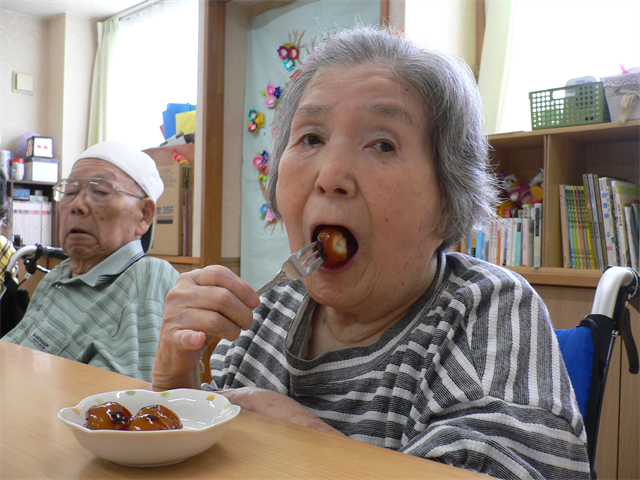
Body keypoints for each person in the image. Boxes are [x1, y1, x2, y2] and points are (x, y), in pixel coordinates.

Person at [151, 27, 590, 479]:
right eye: (311, 138)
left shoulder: (486, 310)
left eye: (383, 144)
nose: (331, 175)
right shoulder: (270, 309)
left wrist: (308, 445)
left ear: (447, 197)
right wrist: (174, 381)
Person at [5, 141, 179, 382]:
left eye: (100, 192)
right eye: (69, 192)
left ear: (144, 215)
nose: (76, 205)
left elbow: (125, 398)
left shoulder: (147, 277)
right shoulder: (58, 276)